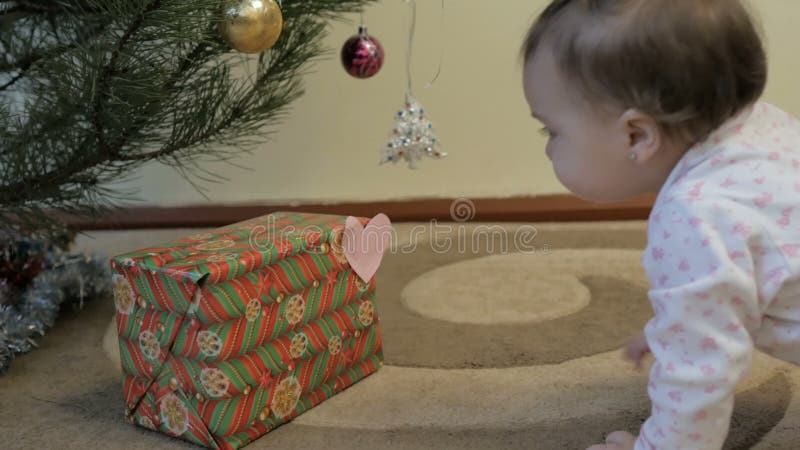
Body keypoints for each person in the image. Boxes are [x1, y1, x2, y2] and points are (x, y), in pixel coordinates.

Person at [520, 1, 800, 449]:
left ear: (638, 136)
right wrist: (678, 325)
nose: (549, 148)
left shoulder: (696, 217)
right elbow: (737, 288)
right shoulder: (763, 129)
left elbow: (700, 376)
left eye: (550, 131)